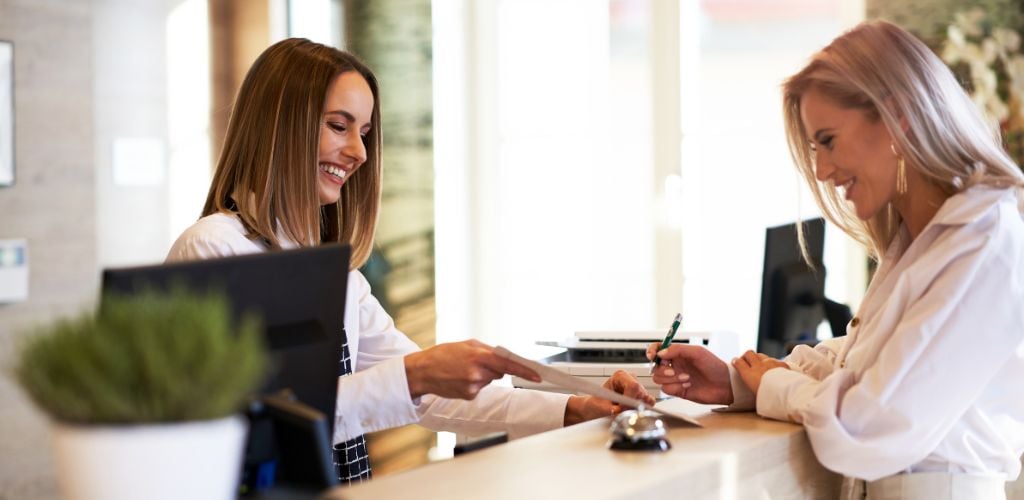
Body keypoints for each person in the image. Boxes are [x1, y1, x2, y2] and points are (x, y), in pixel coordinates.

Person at [166, 38, 653, 485]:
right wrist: (416, 374)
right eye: (338, 125)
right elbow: (258, 422)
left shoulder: (336, 275)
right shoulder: (214, 248)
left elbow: (429, 397)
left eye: (365, 132)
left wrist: (577, 408)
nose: (357, 151)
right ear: (281, 125)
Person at [646, 20, 1024, 499]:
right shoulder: (925, 241)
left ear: (898, 117)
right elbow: (858, 368)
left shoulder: (983, 239)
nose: (822, 171)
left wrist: (776, 385)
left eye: (828, 140)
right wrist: (736, 382)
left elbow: (867, 428)